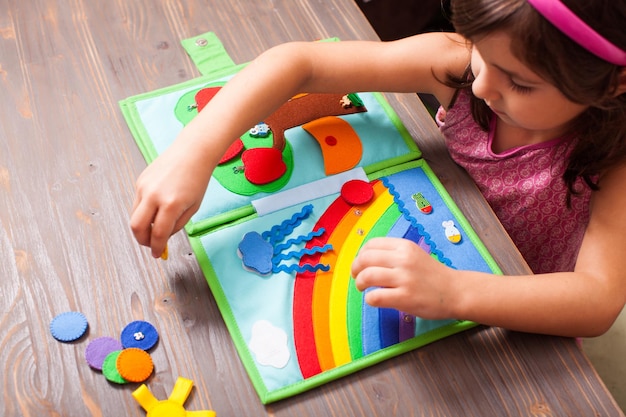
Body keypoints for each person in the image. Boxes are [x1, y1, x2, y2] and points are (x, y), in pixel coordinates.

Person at [130, 0, 626, 338]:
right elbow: (301, 63)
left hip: (517, 303)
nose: (480, 88)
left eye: (519, 83)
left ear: (612, 85)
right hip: (437, 230)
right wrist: (193, 150)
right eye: (480, 53)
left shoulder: (614, 158)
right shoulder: (458, 67)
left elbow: (597, 300)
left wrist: (456, 292)